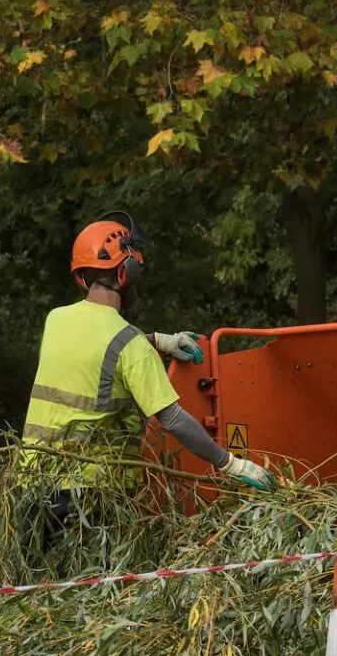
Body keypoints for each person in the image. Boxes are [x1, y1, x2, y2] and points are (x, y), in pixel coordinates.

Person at [22, 214, 274, 537]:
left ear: (81, 278)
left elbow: (93, 348)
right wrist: (231, 463)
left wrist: (157, 341)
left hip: (33, 484)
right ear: (126, 274)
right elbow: (173, 420)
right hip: (89, 494)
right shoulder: (128, 344)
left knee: (40, 585)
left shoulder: (55, 321)